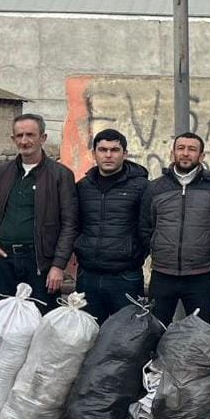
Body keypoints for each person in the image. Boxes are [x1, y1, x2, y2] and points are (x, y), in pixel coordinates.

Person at [0, 113, 78, 312]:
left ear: (43, 138)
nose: (25, 141)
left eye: (30, 135)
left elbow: (70, 223)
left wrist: (58, 265)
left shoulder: (60, 175)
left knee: (41, 319)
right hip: (4, 259)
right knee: (6, 320)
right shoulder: (3, 172)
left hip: (40, 261)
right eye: (20, 135)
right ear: (13, 139)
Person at [140, 132, 210, 325]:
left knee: (198, 334)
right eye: (181, 148)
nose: (186, 153)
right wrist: (156, 249)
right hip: (162, 275)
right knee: (155, 331)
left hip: (199, 276)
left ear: (201, 156)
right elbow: (145, 227)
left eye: (192, 149)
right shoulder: (155, 188)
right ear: (172, 154)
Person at [73, 128, 149, 323]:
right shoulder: (83, 187)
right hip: (88, 275)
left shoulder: (142, 187)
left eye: (114, 150)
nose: (108, 155)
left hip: (125, 277)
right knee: (86, 335)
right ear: (94, 153)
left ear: (125, 153)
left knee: (125, 338)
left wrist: (134, 253)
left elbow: (148, 226)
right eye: (102, 149)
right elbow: (75, 224)